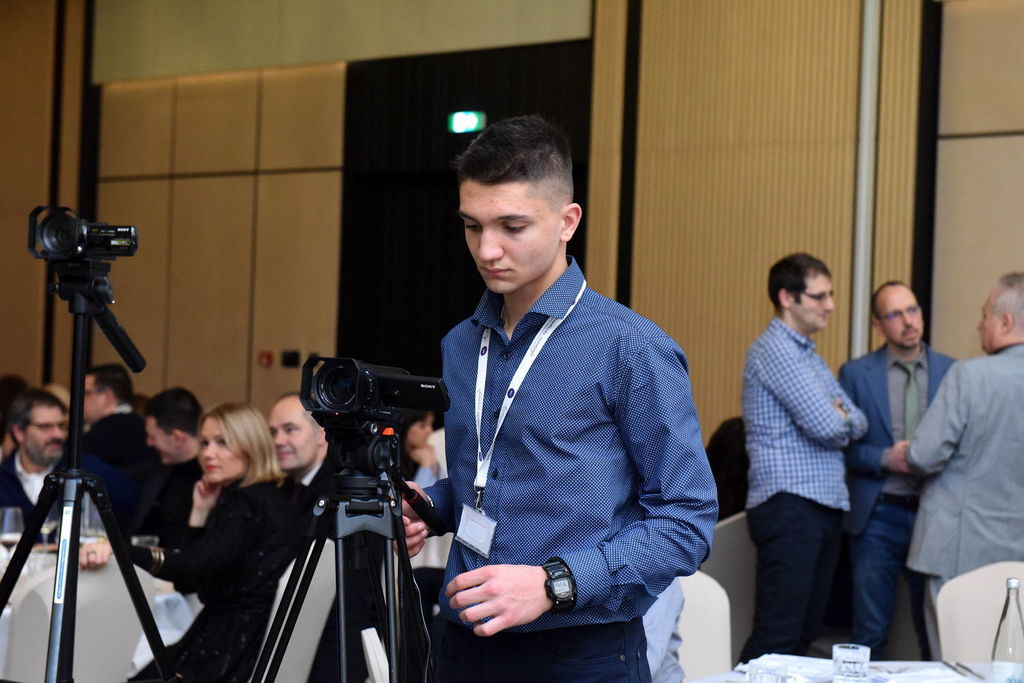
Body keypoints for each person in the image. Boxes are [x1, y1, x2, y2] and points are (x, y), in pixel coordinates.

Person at [401, 114, 717, 682]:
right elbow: (494, 482)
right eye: (472, 226)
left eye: (512, 226)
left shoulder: (630, 347)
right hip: (463, 643)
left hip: (579, 652)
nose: (487, 249)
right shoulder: (460, 344)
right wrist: (430, 505)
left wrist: (554, 584)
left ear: (568, 221)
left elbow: (686, 522)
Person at [80, 402, 294, 683]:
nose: (208, 453)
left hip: (233, 649)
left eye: (222, 443)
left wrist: (118, 549)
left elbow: (189, 566)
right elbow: (189, 582)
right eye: (205, 443)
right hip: (238, 639)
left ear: (250, 446)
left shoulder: (247, 503)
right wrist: (199, 514)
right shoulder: (263, 496)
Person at [740, 253, 868, 662]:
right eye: (820, 296)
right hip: (790, 504)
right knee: (778, 635)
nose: (830, 305)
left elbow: (858, 420)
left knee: (804, 634)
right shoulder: (775, 349)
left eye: (830, 295)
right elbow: (829, 426)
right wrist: (838, 415)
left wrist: (840, 416)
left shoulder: (808, 354)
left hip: (819, 504)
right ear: (787, 298)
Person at [893, 272, 1024, 659]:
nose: (979, 325)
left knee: (954, 663)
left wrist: (906, 451)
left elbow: (925, 455)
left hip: (957, 547)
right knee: (1007, 662)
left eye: (984, 315)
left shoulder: (969, 375)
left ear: (1005, 322)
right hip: (1016, 551)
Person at [838, 281, 954, 659]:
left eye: (913, 310)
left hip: (934, 513)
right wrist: (886, 458)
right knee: (870, 632)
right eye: (895, 314)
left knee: (938, 629)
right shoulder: (856, 374)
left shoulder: (952, 372)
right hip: (878, 515)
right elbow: (844, 448)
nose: (908, 321)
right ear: (877, 324)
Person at [267, 391, 377, 683]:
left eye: (290, 430)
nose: (278, 440)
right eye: (273, 432)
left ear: (321, 435)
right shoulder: (286, 489)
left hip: (333, 640)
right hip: (299, 627)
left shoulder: (342, 491)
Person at [0, 388, 138, 528]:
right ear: (19, 433)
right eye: (46, 427)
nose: (58, 435)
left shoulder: (85, 468)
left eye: (61, 426)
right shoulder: (4, 479)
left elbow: (131, 501)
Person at [129, 388, 204, 549]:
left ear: (177, 438)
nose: (149, 443)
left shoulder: (207, 480)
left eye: (153, 437)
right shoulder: (157, 470)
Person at [82, 363, 159, 484]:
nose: (80, 400)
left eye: (86, 393)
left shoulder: (106, 430)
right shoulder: (140, 424)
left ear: (107, 396)